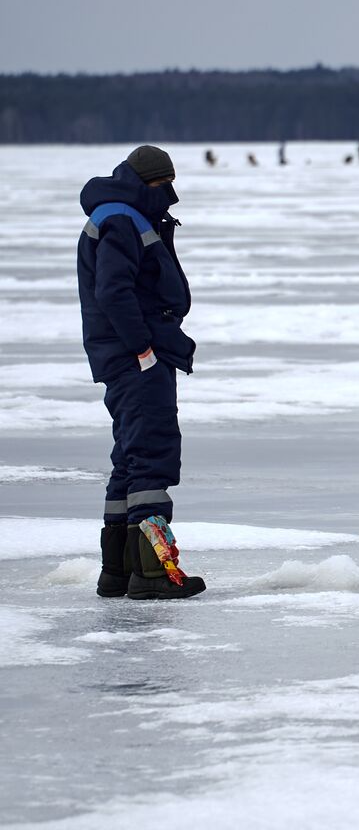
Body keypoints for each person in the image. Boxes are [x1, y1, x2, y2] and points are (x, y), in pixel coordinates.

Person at [77, 146, 206, 600]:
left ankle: (117, 572)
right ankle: (152, 574)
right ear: (144, 182)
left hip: (128, 354)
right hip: (136, 356)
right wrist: (143, 348)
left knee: (130, 459)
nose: (169, 195)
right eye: (162, 185)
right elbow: (112, 292)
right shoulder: (121, 218)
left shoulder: (126, 214)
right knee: (151, 453)